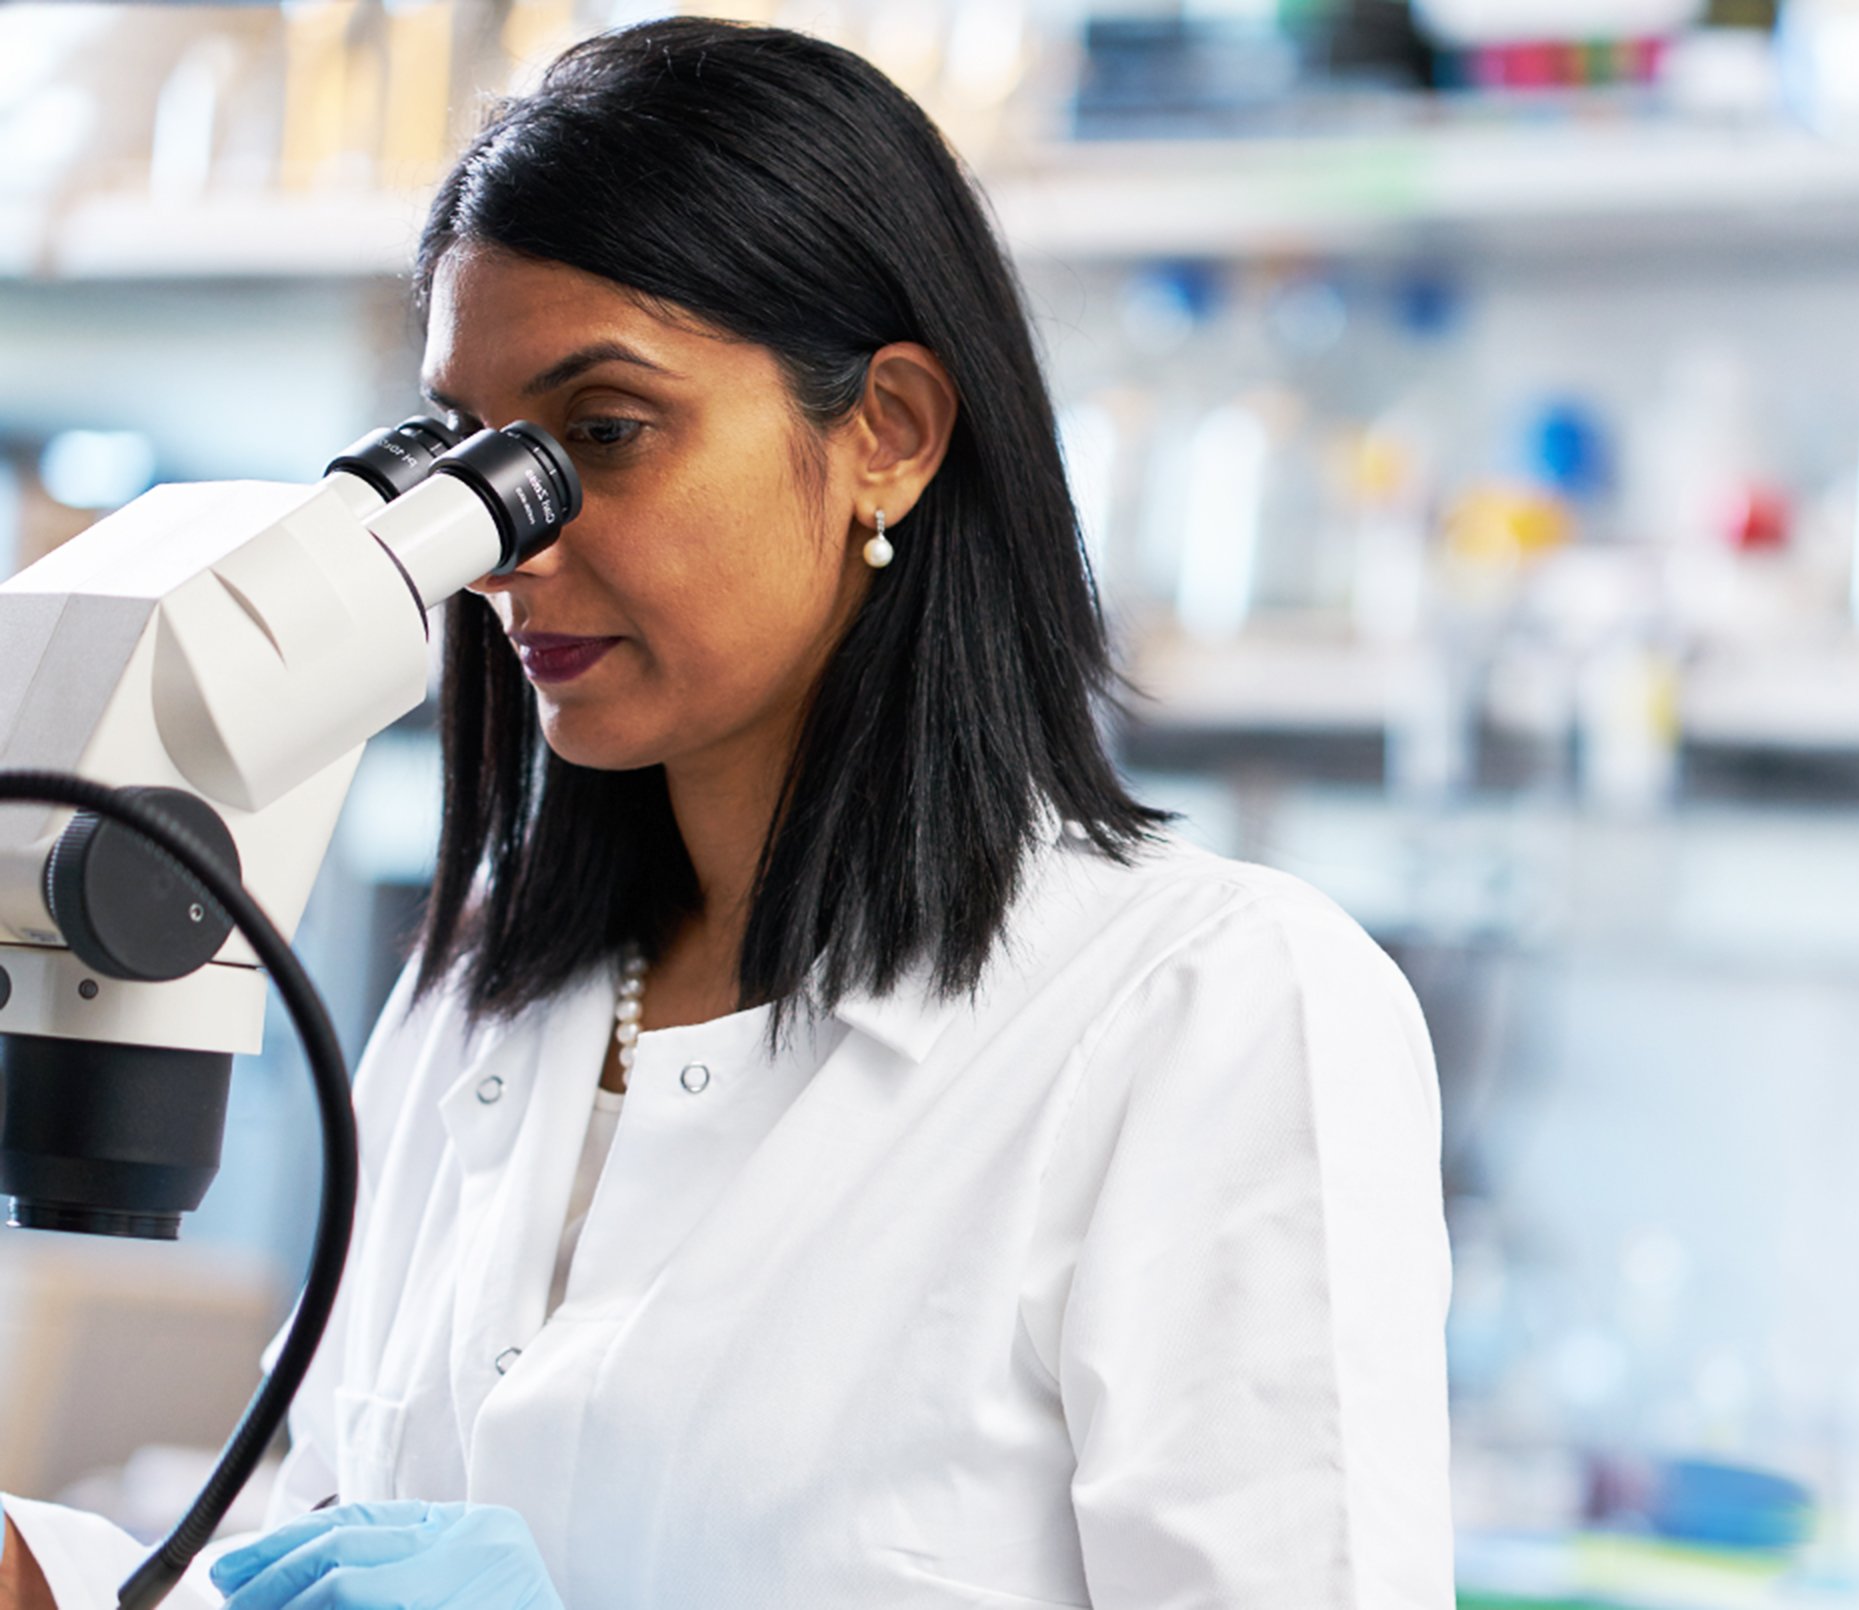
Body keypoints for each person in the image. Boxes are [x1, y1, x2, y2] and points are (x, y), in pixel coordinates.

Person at [0, 19, 1451, 1608]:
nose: (503, 546)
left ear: (887, 432)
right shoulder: (484, 993)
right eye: (469, 459)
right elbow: (286, 1546)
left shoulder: (1211, 1013)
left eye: (601, 434)